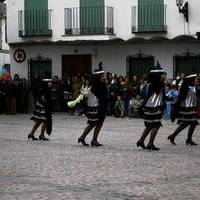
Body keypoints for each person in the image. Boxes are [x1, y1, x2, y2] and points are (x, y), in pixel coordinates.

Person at [136, 64, 166, 150]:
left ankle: (141, 141)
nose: (164, 75)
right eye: (162, 73)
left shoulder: (150, 84)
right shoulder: (159, 83)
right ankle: (150, 143)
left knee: (149, 125)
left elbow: (143, 94)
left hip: (148, 107)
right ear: (158, 75)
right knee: (156, 125)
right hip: (155, 107)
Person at [77, 67, 107, 147]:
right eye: (102, 76)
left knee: (93, 124)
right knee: (97, 123)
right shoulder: (94, 87)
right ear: (98, 77)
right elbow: (100, 97)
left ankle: (82, 137)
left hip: (97, 107)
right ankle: (93, 140)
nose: (104, 78)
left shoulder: (99, 85)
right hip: (95, 107)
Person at [167, 72, 198, 146]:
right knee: (191, 123)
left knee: (188, 123)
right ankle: (187, 139)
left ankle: (175, 136)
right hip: (186, 107)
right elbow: (180, 97)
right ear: (191, 79)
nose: (196, 80)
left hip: (191, 107)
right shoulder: (186, 86)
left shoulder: (193, 86)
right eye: (195, 78)